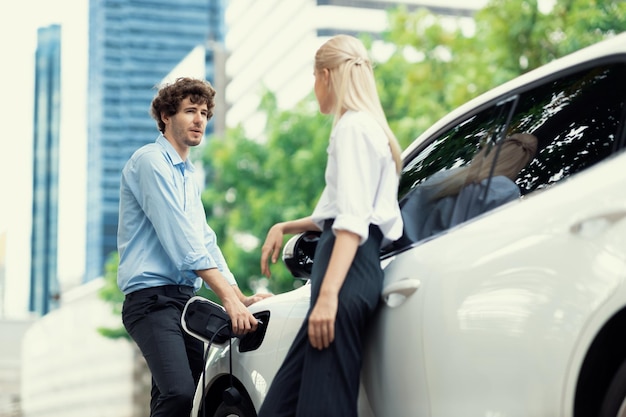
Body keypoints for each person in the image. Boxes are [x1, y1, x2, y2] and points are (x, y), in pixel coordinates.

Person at [258, 34, 404, 417]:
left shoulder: (352, 129)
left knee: (325, 408)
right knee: (280, 409)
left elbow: (352, 224)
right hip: (346, 277)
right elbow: (341, 209)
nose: (313, 88)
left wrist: (327, 299)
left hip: (344, 279)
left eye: (313, 77)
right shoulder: (366, 128)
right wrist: (287, 226)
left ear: (325, 76)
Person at [117, 77, 270, 417]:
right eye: (190, 111)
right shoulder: (151, 162)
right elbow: (183, 244)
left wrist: (239, 295)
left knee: (197, 397)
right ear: (166, 117)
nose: (200, 119)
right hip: (151, 301)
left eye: (204, 112)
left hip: (182, 301)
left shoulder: (187, 174)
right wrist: (228, 301)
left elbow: (205, 240)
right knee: (180, 393)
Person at [400, 132, 538, 242]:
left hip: (404, 256)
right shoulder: (507, 192)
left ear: (498, 149)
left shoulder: (452, 176)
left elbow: (404, 214)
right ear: (523, 161)